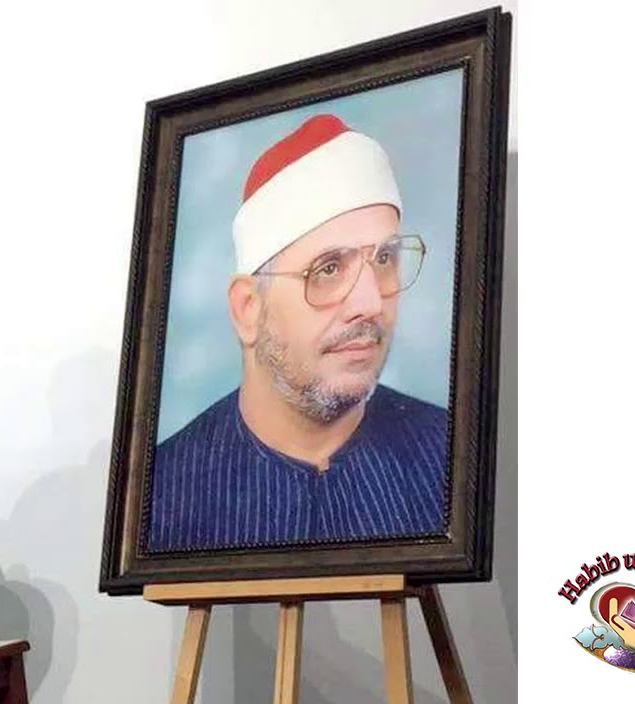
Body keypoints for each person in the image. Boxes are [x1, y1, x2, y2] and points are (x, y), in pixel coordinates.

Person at [148, 114, 449, 552]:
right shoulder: (164, 494)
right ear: (249, 309)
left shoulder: (446, 456)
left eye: (384, 259)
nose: (370, 304)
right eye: (328, 268)